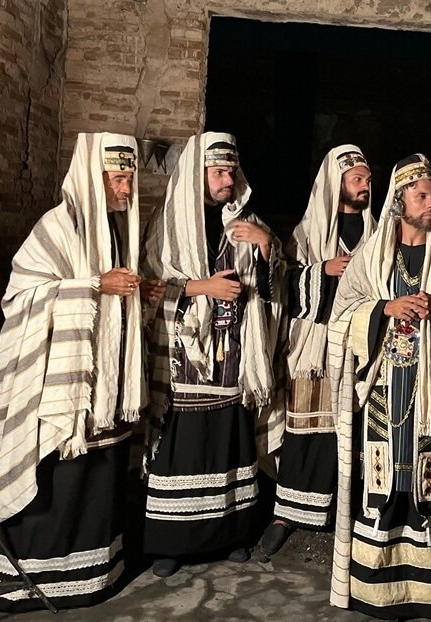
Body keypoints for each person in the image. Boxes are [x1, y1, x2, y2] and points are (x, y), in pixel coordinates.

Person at [326, 153, 431, 619]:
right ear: (399, 201)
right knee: (382, 488)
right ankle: (377, 592)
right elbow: (341, 316)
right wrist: (384, 309)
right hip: (383, 393)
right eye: (421, 195)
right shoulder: (371, 258)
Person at [0, 133, 144, 611]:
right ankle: (31, 582)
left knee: (97, 484)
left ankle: (91, 578)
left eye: (130, 179)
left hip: (104, 387)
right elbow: (21, 297)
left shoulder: (119, 229)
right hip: (63, 393)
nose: (126, 189)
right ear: (92, 178)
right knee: (59, 480)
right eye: (117, 179)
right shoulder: (58, 225)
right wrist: (94, 285)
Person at [142, 132, 285, 578]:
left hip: (234, 352)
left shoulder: (247, 221)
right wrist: (201, 287)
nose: (228, 180)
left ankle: (231, 535)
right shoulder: (168, 221)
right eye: (219, 172)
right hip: (183, 353)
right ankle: (170, 542)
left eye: (232, 172)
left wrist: (266, 244)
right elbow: (148, 285)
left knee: (228, 438)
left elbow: (275, 287)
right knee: (180, 443)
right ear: (197, 174)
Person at [260, 145, 376, 557]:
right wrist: (321, 271)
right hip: (315, 348)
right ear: (335, 184)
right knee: (307, 428)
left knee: (355, 430)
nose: (365, 186)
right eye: (356, 179)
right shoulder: (307, 233)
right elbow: (282, 286)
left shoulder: (378, 233)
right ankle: (288, 512)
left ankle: (347, 510)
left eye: (367, 179)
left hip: (360, 345)